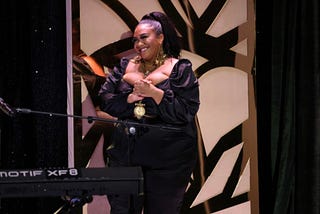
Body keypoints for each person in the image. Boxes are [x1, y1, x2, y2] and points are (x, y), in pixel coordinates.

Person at [99, 11, 200, 214]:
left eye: (144, 37)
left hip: (169, 158)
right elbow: (105, 98)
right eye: (135, 39)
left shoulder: (179, 69)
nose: (138, 43)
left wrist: (154, 93)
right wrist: (129, 99)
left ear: (161, 38)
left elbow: (186, 110)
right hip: (126, 154)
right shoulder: (124, 67)